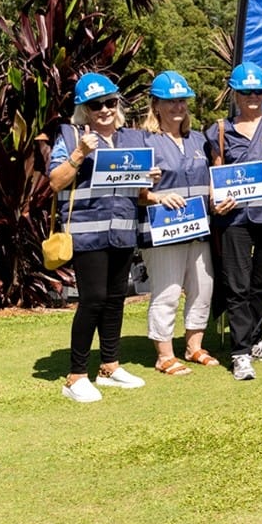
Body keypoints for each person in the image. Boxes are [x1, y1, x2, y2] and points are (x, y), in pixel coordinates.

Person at [49, 73, 154, 402]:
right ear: (84, 109)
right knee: (92, 300)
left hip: (122, 231)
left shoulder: (133, 139)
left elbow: (138, 193)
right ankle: (76, 375)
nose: (105, 110)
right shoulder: (70, 135)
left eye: (110, 102)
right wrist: (79, 153)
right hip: (86, 233)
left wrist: (148, 179)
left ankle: (109, 366)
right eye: (97, 105)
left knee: (115, 300)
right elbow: (54, 182)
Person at [206, 62, 262, 381]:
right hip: (234, 217)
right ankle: (240, 351)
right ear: (235, 94)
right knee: (237, 284)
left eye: (258, 91)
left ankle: (257, 339)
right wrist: (217, 200)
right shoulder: (218, 129)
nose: (252, 96)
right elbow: (216, 171)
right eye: (246, 92)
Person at [139, 71, 217, 376]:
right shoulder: (144, 140)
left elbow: (209, 180)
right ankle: (164, 354)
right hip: (162, 231)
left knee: (202, 287)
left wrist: (220, 196)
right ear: (155, 104)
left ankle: (194, 346)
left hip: (199, 229)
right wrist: (156, 196)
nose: (177, 107)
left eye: (182, 100)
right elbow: (133, 192)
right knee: (167, 291)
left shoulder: (198, 139)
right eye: (170, 101)